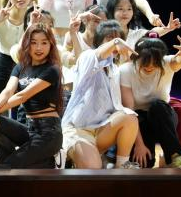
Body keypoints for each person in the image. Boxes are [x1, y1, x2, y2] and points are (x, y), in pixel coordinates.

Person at [0, 22, 64, 168]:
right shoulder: (20, 67)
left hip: (48, 132)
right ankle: (41, 162)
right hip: (29, 128)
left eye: (44, 43)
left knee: (9, 166)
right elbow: (7, 91)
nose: (39, 48)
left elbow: (22, 96)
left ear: (51, 45)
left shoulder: (52, 69)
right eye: (34, 42)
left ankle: (20, 164)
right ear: (27, 44)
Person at [60, 19, 139, 169]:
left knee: (129, 117)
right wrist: (116, 42)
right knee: (93, 169)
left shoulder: (114, 69)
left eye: (118, 38)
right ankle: (75, 157)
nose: (115, 42)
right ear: (99, 41)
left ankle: (122, 166)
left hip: (101, 130)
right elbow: (98, 54)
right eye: (109, 38)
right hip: (77, 130)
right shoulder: (87, 56)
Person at [120, 36, 181, 168]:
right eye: (145, 61)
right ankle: (156, 157)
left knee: (157, 106)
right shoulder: (126, 70)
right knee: (144, 164)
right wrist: (139, 144)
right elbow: (129, 112)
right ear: (137, 56)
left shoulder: (167, 63)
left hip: (163, 117)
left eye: (155, 62)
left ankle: (175, 155)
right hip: (138, 121)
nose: (149, 66)